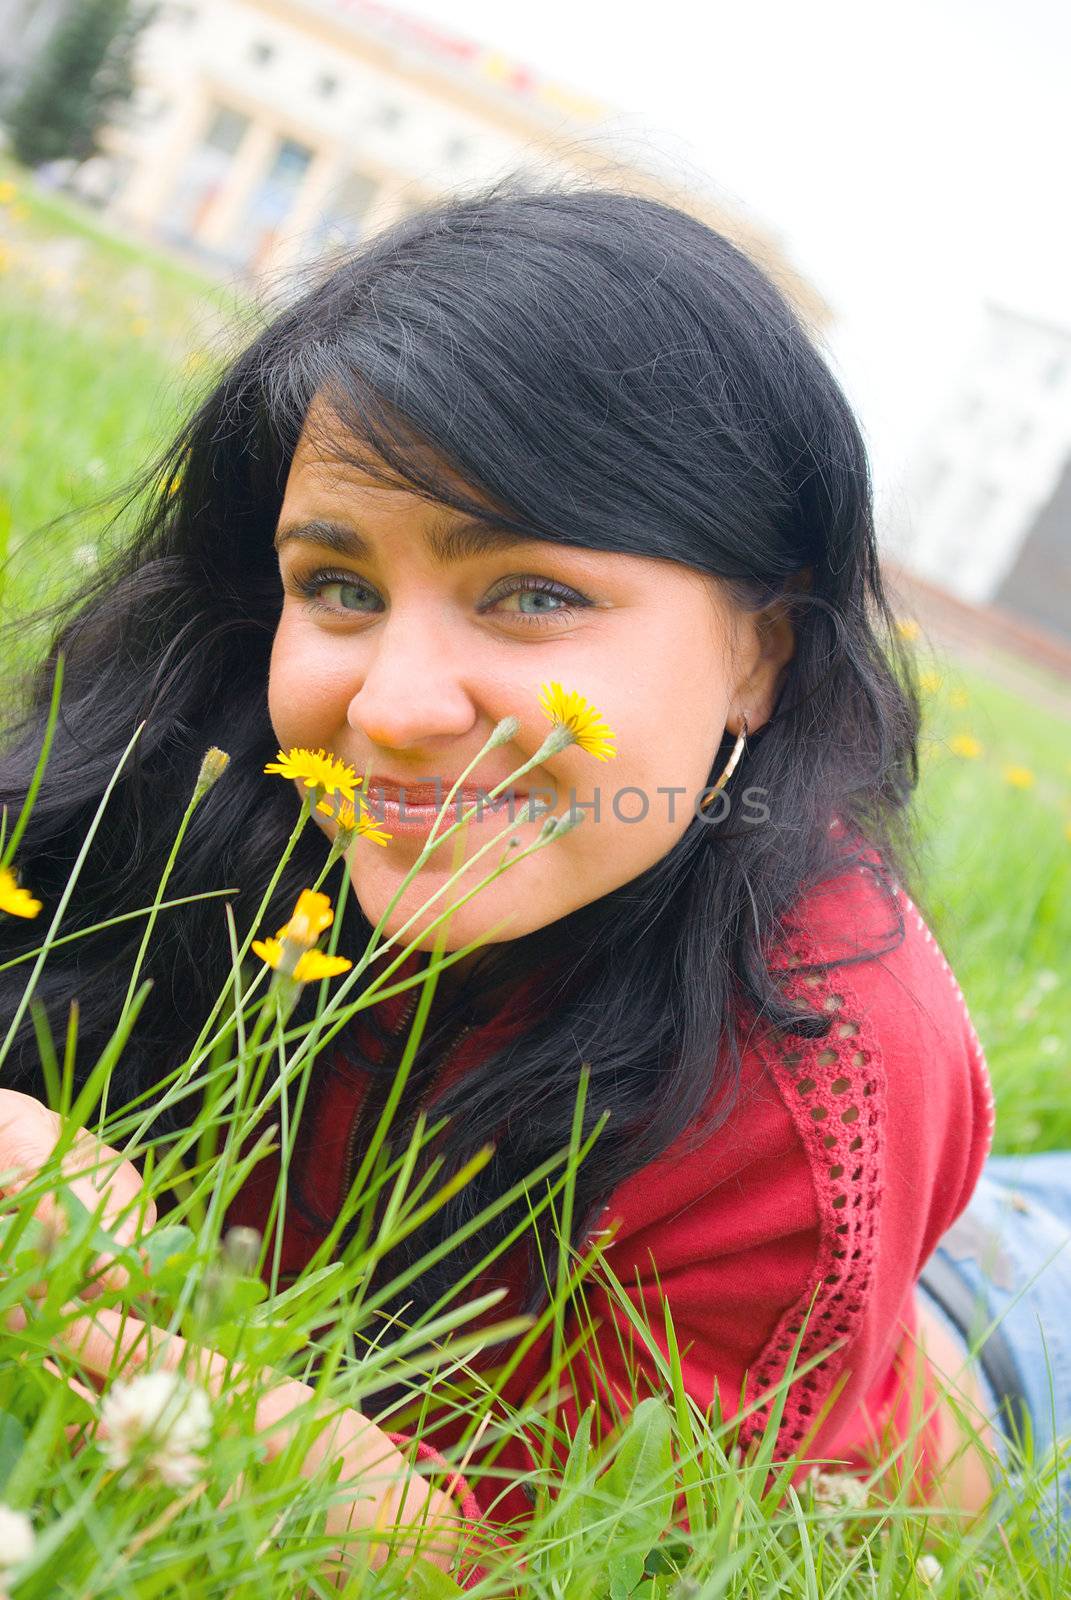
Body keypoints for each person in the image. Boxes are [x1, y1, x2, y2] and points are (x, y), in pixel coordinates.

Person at [0, 181, 1067, 1582]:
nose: (394, 703)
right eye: (340, 586)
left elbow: (530, 1557)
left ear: (763, 649)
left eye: (533, 594)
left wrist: (75, 1297)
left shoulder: (819, 1071)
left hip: (995, 1349)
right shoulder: (211, 781)